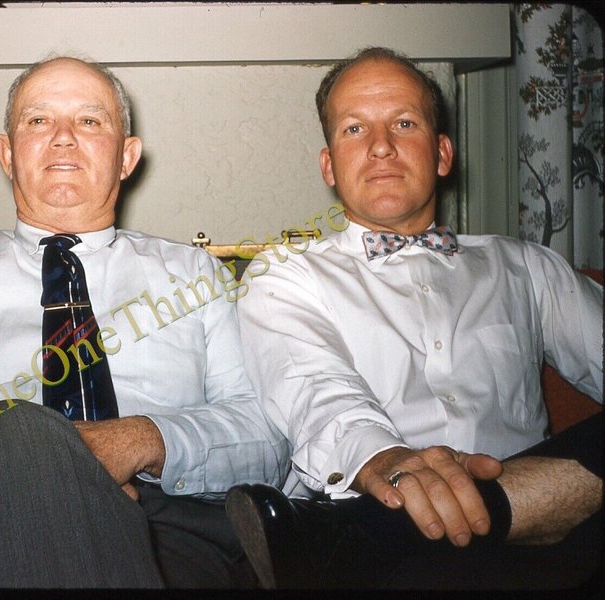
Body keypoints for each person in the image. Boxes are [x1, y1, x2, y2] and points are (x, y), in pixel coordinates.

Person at [0, 56, 290, 588]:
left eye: (90, 121)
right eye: (38, 120)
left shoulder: (197, 275)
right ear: (6, 154)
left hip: (166, 531)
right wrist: (23, 461)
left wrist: (142, 439)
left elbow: (267, 434)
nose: (64, 138)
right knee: (20, 430)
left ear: (127, 157)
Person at [229, 46, 603, 589]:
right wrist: (385, 460)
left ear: (443, 152)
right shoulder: (285, 275)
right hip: (389, 516)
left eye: (404, 123)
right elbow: (315, 388)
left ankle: (351, 536)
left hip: (536, 543)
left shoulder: (528, 266)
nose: (381, 147)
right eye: (355, 129)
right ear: (329, 165)